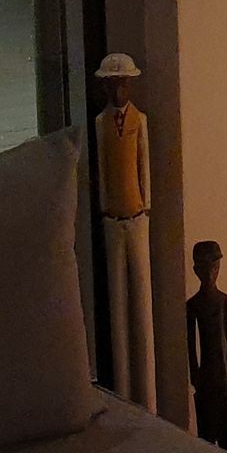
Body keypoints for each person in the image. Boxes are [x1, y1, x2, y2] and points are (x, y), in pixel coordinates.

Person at [95, 53, 155, 411]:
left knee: (142, 307)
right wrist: (105, 208)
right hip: (113, 219)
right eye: (112, 85)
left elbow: (143, 164)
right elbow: (103, 170)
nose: (118, 91)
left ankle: (148, 401)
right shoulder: (101, 123)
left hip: (135, 216)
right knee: (117, 310)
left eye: (123, 84)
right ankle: (124, 395)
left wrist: (145, 207)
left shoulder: (139, 121)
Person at [186, 240, 227, 453]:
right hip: (206, 379)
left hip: (224, 377)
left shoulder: (224, 300)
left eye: (214, 268)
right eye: (205, 268)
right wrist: (195, 376)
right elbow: (191, 344)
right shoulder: (193, 305)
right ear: (196, 270)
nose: (210, 274)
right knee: (207, 439)